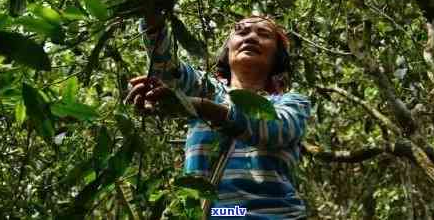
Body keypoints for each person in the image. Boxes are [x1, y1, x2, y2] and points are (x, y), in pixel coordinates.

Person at [126, 14, 311, 219]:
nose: (250, 37)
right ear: (227, 49)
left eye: (263, 34)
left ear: (277, 55)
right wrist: (153, 13)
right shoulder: (206, 90)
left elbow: (275, 129)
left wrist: (200, 107)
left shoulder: (292, 103)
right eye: (241, 31)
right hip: (219, 213)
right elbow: (169, 71)